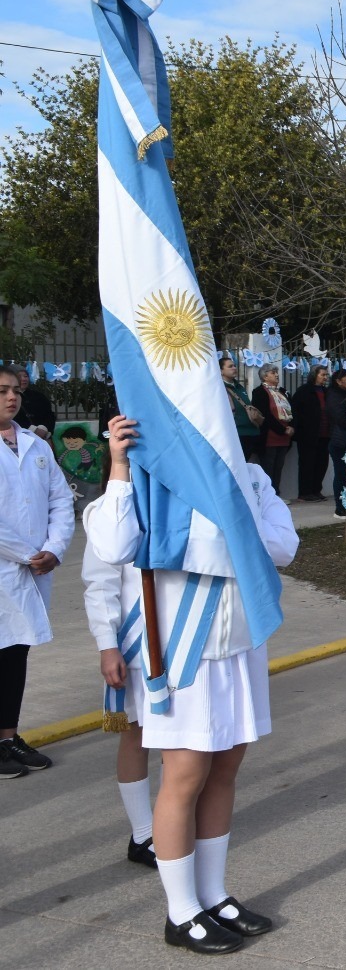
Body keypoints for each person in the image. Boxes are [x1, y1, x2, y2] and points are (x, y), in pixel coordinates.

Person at [88, 414, 297, 955]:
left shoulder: (249, 475)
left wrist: (228, 520)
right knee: (185, 774)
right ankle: (180, 913)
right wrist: (117, 465)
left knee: (225, 770)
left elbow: (282, 546)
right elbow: (112, 545)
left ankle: (213, 894)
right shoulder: (147, 475)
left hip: (240, 645)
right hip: (184, 650)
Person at [0, 365, 74, 778]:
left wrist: (54, 549)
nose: (11, 398)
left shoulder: (35, 445)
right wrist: (30, 554)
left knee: (16, 651)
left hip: (33, 567)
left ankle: (8, 737)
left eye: (15, 391)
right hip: (9, 565)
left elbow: (60, 501)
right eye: (2, 391)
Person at [82, 536, 157, 864]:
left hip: (180, 642)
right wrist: (107, 645)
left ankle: (175, 823)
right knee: (136, 734)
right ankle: (143, 834)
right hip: (135, 640)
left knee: (181, 741)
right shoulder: (110, 510)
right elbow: (100, 583)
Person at [250, 364, 294, 495]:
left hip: (285, 437)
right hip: (269, 436)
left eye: (276, 372)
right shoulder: (259, 392)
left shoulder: (282, 391)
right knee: (268, 469)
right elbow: (265, 415)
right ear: (264, 376)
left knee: (278, 468)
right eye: (273, 372)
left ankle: (277, 494)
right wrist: (282, 429)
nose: (276, 374)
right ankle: (269, 496)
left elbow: (292, 410)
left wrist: (292, 427)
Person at [290, 364, 330, 502]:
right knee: (307, 463)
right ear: (314, 375)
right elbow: (295, 411)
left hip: (325, 434)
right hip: (308, 434)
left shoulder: (326, 391)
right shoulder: (304, 391)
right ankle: (305, 492)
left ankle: (316, 490)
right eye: (322, 375)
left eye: (326, 375)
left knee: (321, 463)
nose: (325, 377)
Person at [326, 369, 346, 518]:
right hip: (340, 441)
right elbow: (341, 419)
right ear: (338, 381)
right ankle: (340, 507)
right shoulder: (334, 396)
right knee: (341, 475)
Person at [221, 357, 261, 462]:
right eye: (230, 366)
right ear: (221, 371)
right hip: (237, 433)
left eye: (234, 366)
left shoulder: (240, 387)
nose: (234, 368)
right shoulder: (219, 387)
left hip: (251, 433)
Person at [15, 368, 57, 440]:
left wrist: (44, 428)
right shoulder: (9, 397)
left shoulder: (39, 396)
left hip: (42, 438)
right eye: (19, 376)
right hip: (19, 438)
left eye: (26, 376)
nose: (23, 379)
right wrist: (33, 430)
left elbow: (49, 415)